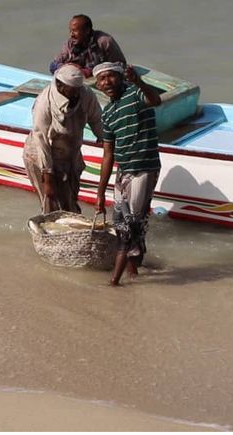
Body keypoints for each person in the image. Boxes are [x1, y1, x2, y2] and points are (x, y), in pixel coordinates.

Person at [93, 62, 162, 286]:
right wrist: (100, 193)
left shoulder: (135, 94)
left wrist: (139, 81)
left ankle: (114, 282)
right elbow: (107, 155)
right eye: (101, 79)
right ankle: (133, 273)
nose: (106, 83)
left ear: (121, 77)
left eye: (110, 77)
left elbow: (156, 101)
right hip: (123, 174)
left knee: (131, 227)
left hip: (144, 169)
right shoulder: (108, 114)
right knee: (121, 224)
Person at [23, 64, 104, 213]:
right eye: (72, 90)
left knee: (70, 203)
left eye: (78, 89)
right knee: (52, 206)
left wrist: (106, 140)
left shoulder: (86, 94)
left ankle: (73, 234)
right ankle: (57, 236)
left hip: (70, 154)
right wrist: (48, 178)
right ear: (60, 85)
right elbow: (41, 140)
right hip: (41, 156)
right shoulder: (44, 102)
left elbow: (97, 119)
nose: (76, 94)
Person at [49, 14, 126, 78]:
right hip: (79, 80)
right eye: (70, 31)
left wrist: (89, 71)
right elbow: (53, 65)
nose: (71, 35)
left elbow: (121, 65)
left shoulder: (104, 41)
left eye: (75, 31)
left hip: (101, 79)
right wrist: (67, 67)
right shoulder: (70, 44)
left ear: (87, 31)